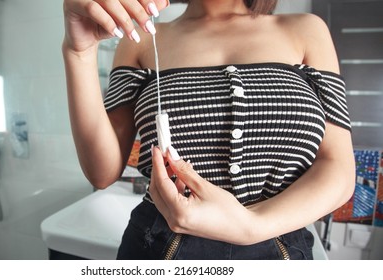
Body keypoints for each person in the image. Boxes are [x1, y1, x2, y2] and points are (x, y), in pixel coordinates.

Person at [62, 0, 355, 259]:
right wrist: (79, 52)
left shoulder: (307, 30)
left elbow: (338, 168)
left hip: (279, 249)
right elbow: (102, 172)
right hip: (159, 250)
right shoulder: (142, 39)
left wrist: (251, 225)